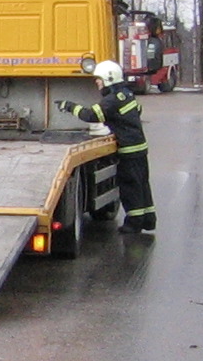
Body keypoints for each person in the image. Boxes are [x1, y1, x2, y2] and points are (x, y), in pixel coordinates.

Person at [57, 60, 156, 232]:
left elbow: (91, 115)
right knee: (141, 184)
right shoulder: (126, 94)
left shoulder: (111, 100)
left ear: (109, 79)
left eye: (99, 79)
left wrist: (69, 106)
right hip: (139, 147)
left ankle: (134, 223)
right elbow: (137, 111)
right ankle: (148, 219)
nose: (97, 82)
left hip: (128, 150)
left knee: (130, 186)